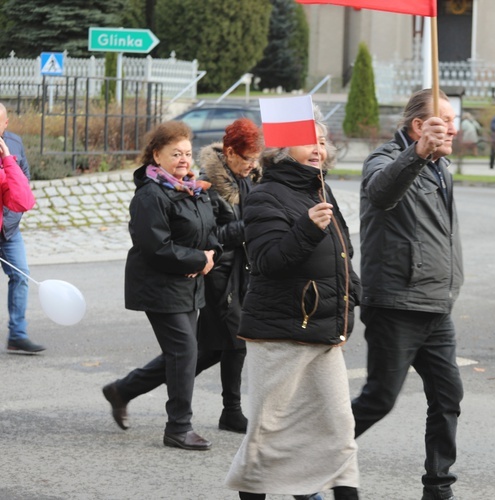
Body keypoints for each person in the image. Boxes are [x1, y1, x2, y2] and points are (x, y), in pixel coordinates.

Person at [225, 114, 361, 500]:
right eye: (308, 141)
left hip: (323, 331)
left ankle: (322, 491)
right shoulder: (265, 194)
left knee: (338, 427)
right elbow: (267, 261)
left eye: (322, 140)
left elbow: (340, 258)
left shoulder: (321, 189)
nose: (318, 147)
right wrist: (306, 228)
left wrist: (360, 296)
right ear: (284, 149)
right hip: (279, 334)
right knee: (268, 431)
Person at [351, 88, 464, 500]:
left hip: (435, 304)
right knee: (379, 399)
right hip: (397, 303)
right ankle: (309, 458)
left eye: (453, 119)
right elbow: (381, 193)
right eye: (445, 120)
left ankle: (438, 488)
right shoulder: (385, 160)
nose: (454, 127)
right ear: (419, 126)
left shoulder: (442, 167)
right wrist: (415, 154)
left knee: (448, 395)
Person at [102, 121, 221, 451]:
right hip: (158, 285)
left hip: (188, 285)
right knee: (184, 351)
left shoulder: (191, 188)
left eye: (186, 153)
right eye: (175, 154)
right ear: (156, 155)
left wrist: (211, 253)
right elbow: (155, 247)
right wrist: (199, 260)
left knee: (183, 352)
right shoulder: (150, 195)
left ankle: (122, 391)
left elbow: (209, 232)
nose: (184, 160)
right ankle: (178, 428)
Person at [195, 117, 262, 433]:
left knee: (210, 350)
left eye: (255, 158)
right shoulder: (209, 183)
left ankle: (129, 387)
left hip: (241, 273)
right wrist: (249, 228)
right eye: (247, 157)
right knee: (234, 342)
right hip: (218, 274)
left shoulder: (248, 178)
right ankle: (231, 412)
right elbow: (210, 235)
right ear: (230, 151)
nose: (252, 164)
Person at [0, 103, 44, 354]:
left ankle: (17, 334)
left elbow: (23, 184)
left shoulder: (14, 143)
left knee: (21, 275)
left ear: (5, 124)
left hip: (9, 229)